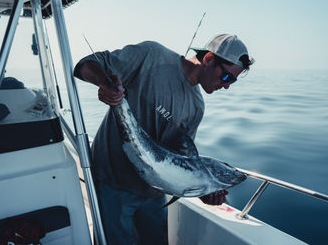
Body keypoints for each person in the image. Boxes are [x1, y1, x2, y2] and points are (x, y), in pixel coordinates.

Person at [74, 33, 254, 245]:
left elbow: (179, 162)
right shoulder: (152, 56)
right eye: (227, 77)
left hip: (154, 194)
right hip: (113, 185)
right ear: (208, 59)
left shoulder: (196, 107)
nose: (226, 86)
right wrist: (105, 84)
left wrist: (202, 191)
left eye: (232, 81)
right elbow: (84, 66)